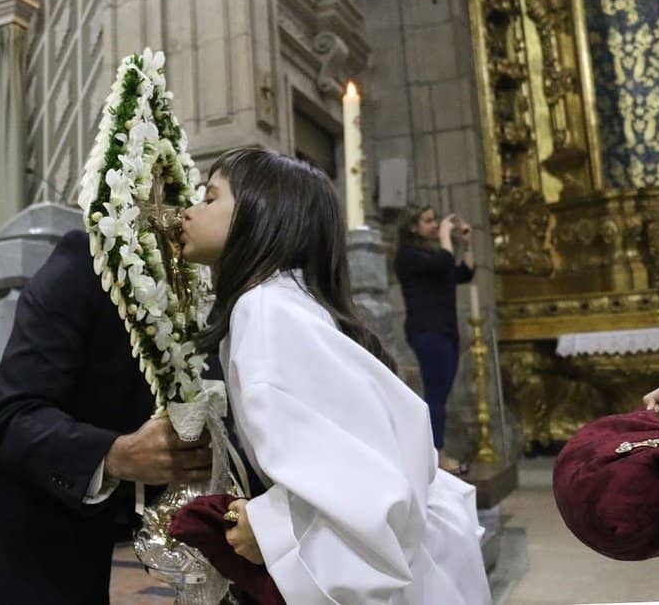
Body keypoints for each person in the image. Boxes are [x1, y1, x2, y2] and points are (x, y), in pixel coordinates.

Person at [177, 149, 490, 604]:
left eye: (210, 198)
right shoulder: (285, 301)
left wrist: (268, 526)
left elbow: (366, 479)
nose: (189, 211)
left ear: (262, 215)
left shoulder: (264, 310)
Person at [0, 230, 214, 605]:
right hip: (29, 500)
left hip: (94, 512)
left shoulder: (218, 290)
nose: (191, 212)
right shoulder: (85, 261)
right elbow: (13, 415)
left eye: (210, 198)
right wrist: (116, 455)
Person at [394, 205, 476, 475]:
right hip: (427, 331)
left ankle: (435, 454)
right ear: (412, 227)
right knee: (436, 397)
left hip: (445, 331)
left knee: (439, 396)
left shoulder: (430, 257)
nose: (433, 224)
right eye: (428, 221)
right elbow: (443, 262)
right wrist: (445, 235)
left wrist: (466, 244)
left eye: (434, 221)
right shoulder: (407, 256)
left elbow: (463, 273)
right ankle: (436, 457)